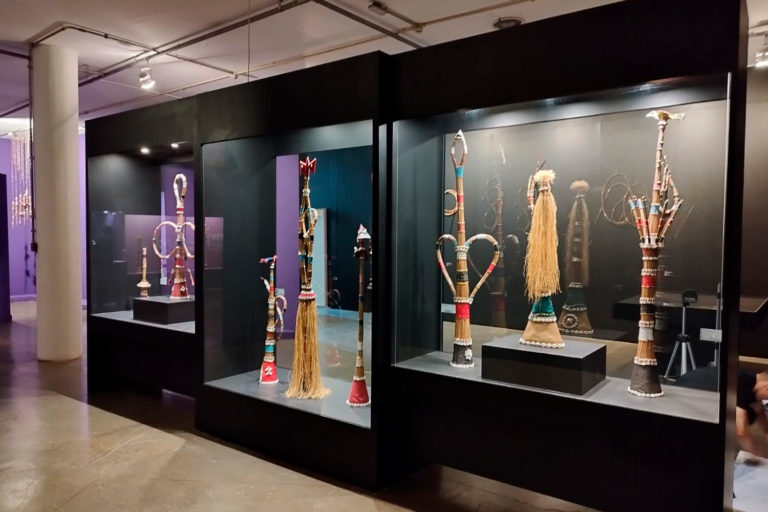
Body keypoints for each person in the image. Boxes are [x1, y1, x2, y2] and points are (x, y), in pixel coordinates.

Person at [736, 370, 768, 458]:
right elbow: (741, 433)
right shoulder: (742, 385)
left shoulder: (752, 384)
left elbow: (760, 411)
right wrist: (755, 455)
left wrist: (767, 432)